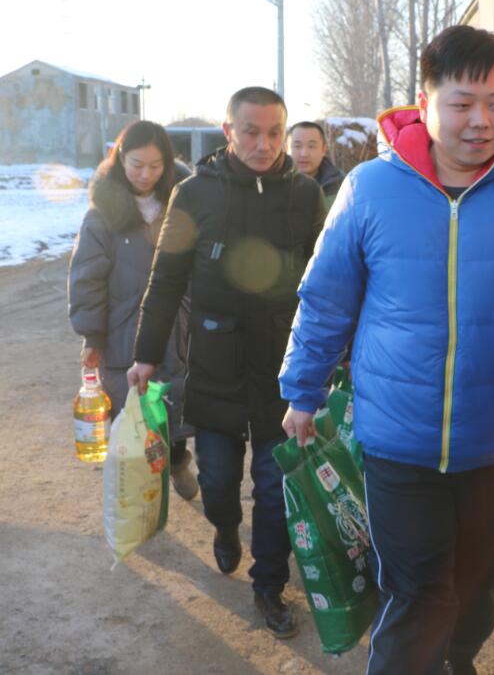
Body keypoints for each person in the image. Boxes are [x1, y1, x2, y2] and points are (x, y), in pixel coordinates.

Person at [278, 25, 494, 673]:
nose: (480, 121)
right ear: (424, 101)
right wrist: (303, 388)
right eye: (462, 103)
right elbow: (326, 298)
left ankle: (458, 660)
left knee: (477, 592)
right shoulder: (370, 190)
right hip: (396, 439)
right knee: (418, 595)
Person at [128, 87, 326, 638]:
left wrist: (334, 357)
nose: (264, 144)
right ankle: (224, 527)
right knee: (217, 480)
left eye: (274, 133)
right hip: (215, 366)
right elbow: (166, 280)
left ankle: (269, 586)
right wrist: (146, 355)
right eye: (250, 132)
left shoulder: (306, 196)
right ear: (228, 131)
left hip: (281, 372)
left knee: (274, 486)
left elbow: (329, 284)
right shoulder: (195, 194)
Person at [68, 121, 198, 501]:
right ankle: (143, 500)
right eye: (137, 165)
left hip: (178, 328)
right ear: (120, 159)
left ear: (168, 164)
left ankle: (177, 461)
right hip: (124, 333)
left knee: (174, 410)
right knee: (133, 417)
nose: (145, 174)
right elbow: (87, 279)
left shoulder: (186, 206)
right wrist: (93, 337)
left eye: (156, 166)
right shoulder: (101, 217)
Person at [288, 120, 344, 205]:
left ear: (323, 150)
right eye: (297, 146)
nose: (304, 154)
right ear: (285, 148)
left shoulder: (340, 187)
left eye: (311, 146)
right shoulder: (271, 185)